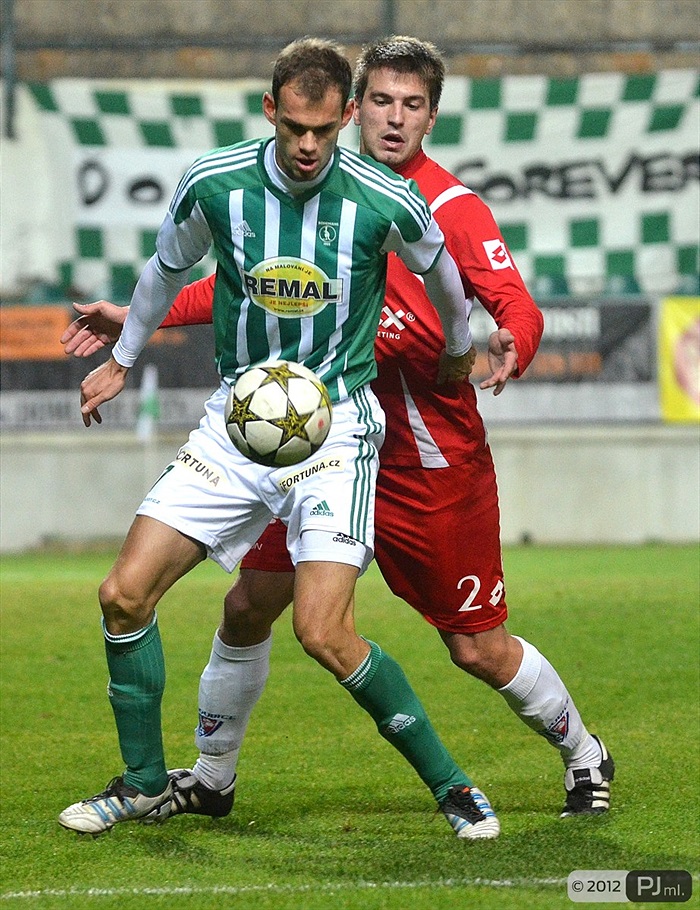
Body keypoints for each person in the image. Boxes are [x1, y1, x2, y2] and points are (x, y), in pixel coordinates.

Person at [63, 36, 614, 827]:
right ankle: (210, 778)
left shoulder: (444, 210)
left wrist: (505, 348)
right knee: (249, 608)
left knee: (476, 648)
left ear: (431, 114)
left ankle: (583, 752)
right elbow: (246, 282)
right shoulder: (303, 189)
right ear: (357, 108)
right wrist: (137, 325)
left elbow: (510, 302)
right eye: (383, 101)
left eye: (411, 104)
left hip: (422, 459)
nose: (394, 118)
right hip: (301, 441)